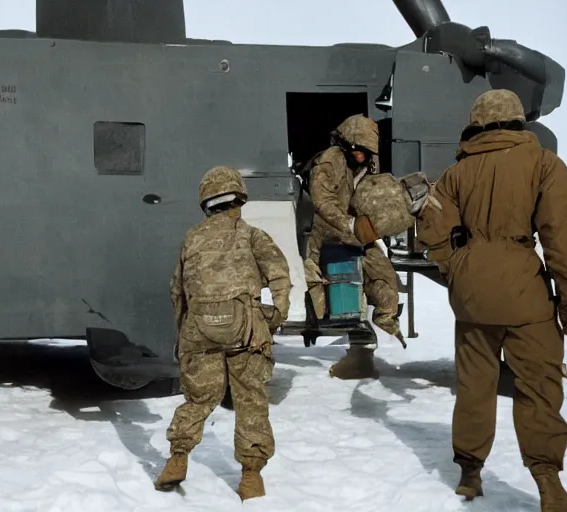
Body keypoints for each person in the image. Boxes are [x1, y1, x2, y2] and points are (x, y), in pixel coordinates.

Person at [415, 88, 567, 511]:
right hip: (526, 295)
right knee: (539, 388)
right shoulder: (544, 164)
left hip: (472, 296)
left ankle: (469, 474)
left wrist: (455, 267)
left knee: (475, 385)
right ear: (516, 121)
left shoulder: (455, 174)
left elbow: (432, 232)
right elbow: (562, 236)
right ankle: (549, 486)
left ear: (477, 123)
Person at [154, 166, 291, 500]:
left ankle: (177, 459)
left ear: (207, 203)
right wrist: (274, 317)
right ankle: (250, 477)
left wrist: (185, 332)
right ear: (238, 200)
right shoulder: (252, 235)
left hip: (199, 331)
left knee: (199, 398)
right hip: (246, 332)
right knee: (250, 400)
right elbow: (280, 276)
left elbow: (177, 291)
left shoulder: (191, 238)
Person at [303, 114, 403, 378]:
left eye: (367, 152)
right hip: (329, 236)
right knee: (336, 299)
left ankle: (381, 326)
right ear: (347, 145)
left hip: (355, 234)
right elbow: (322, 202)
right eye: (360, 151)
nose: (364, 157)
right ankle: (353, 353)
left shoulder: (367, 161)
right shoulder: (329, 162)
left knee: (383, 277)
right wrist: (347, 223)